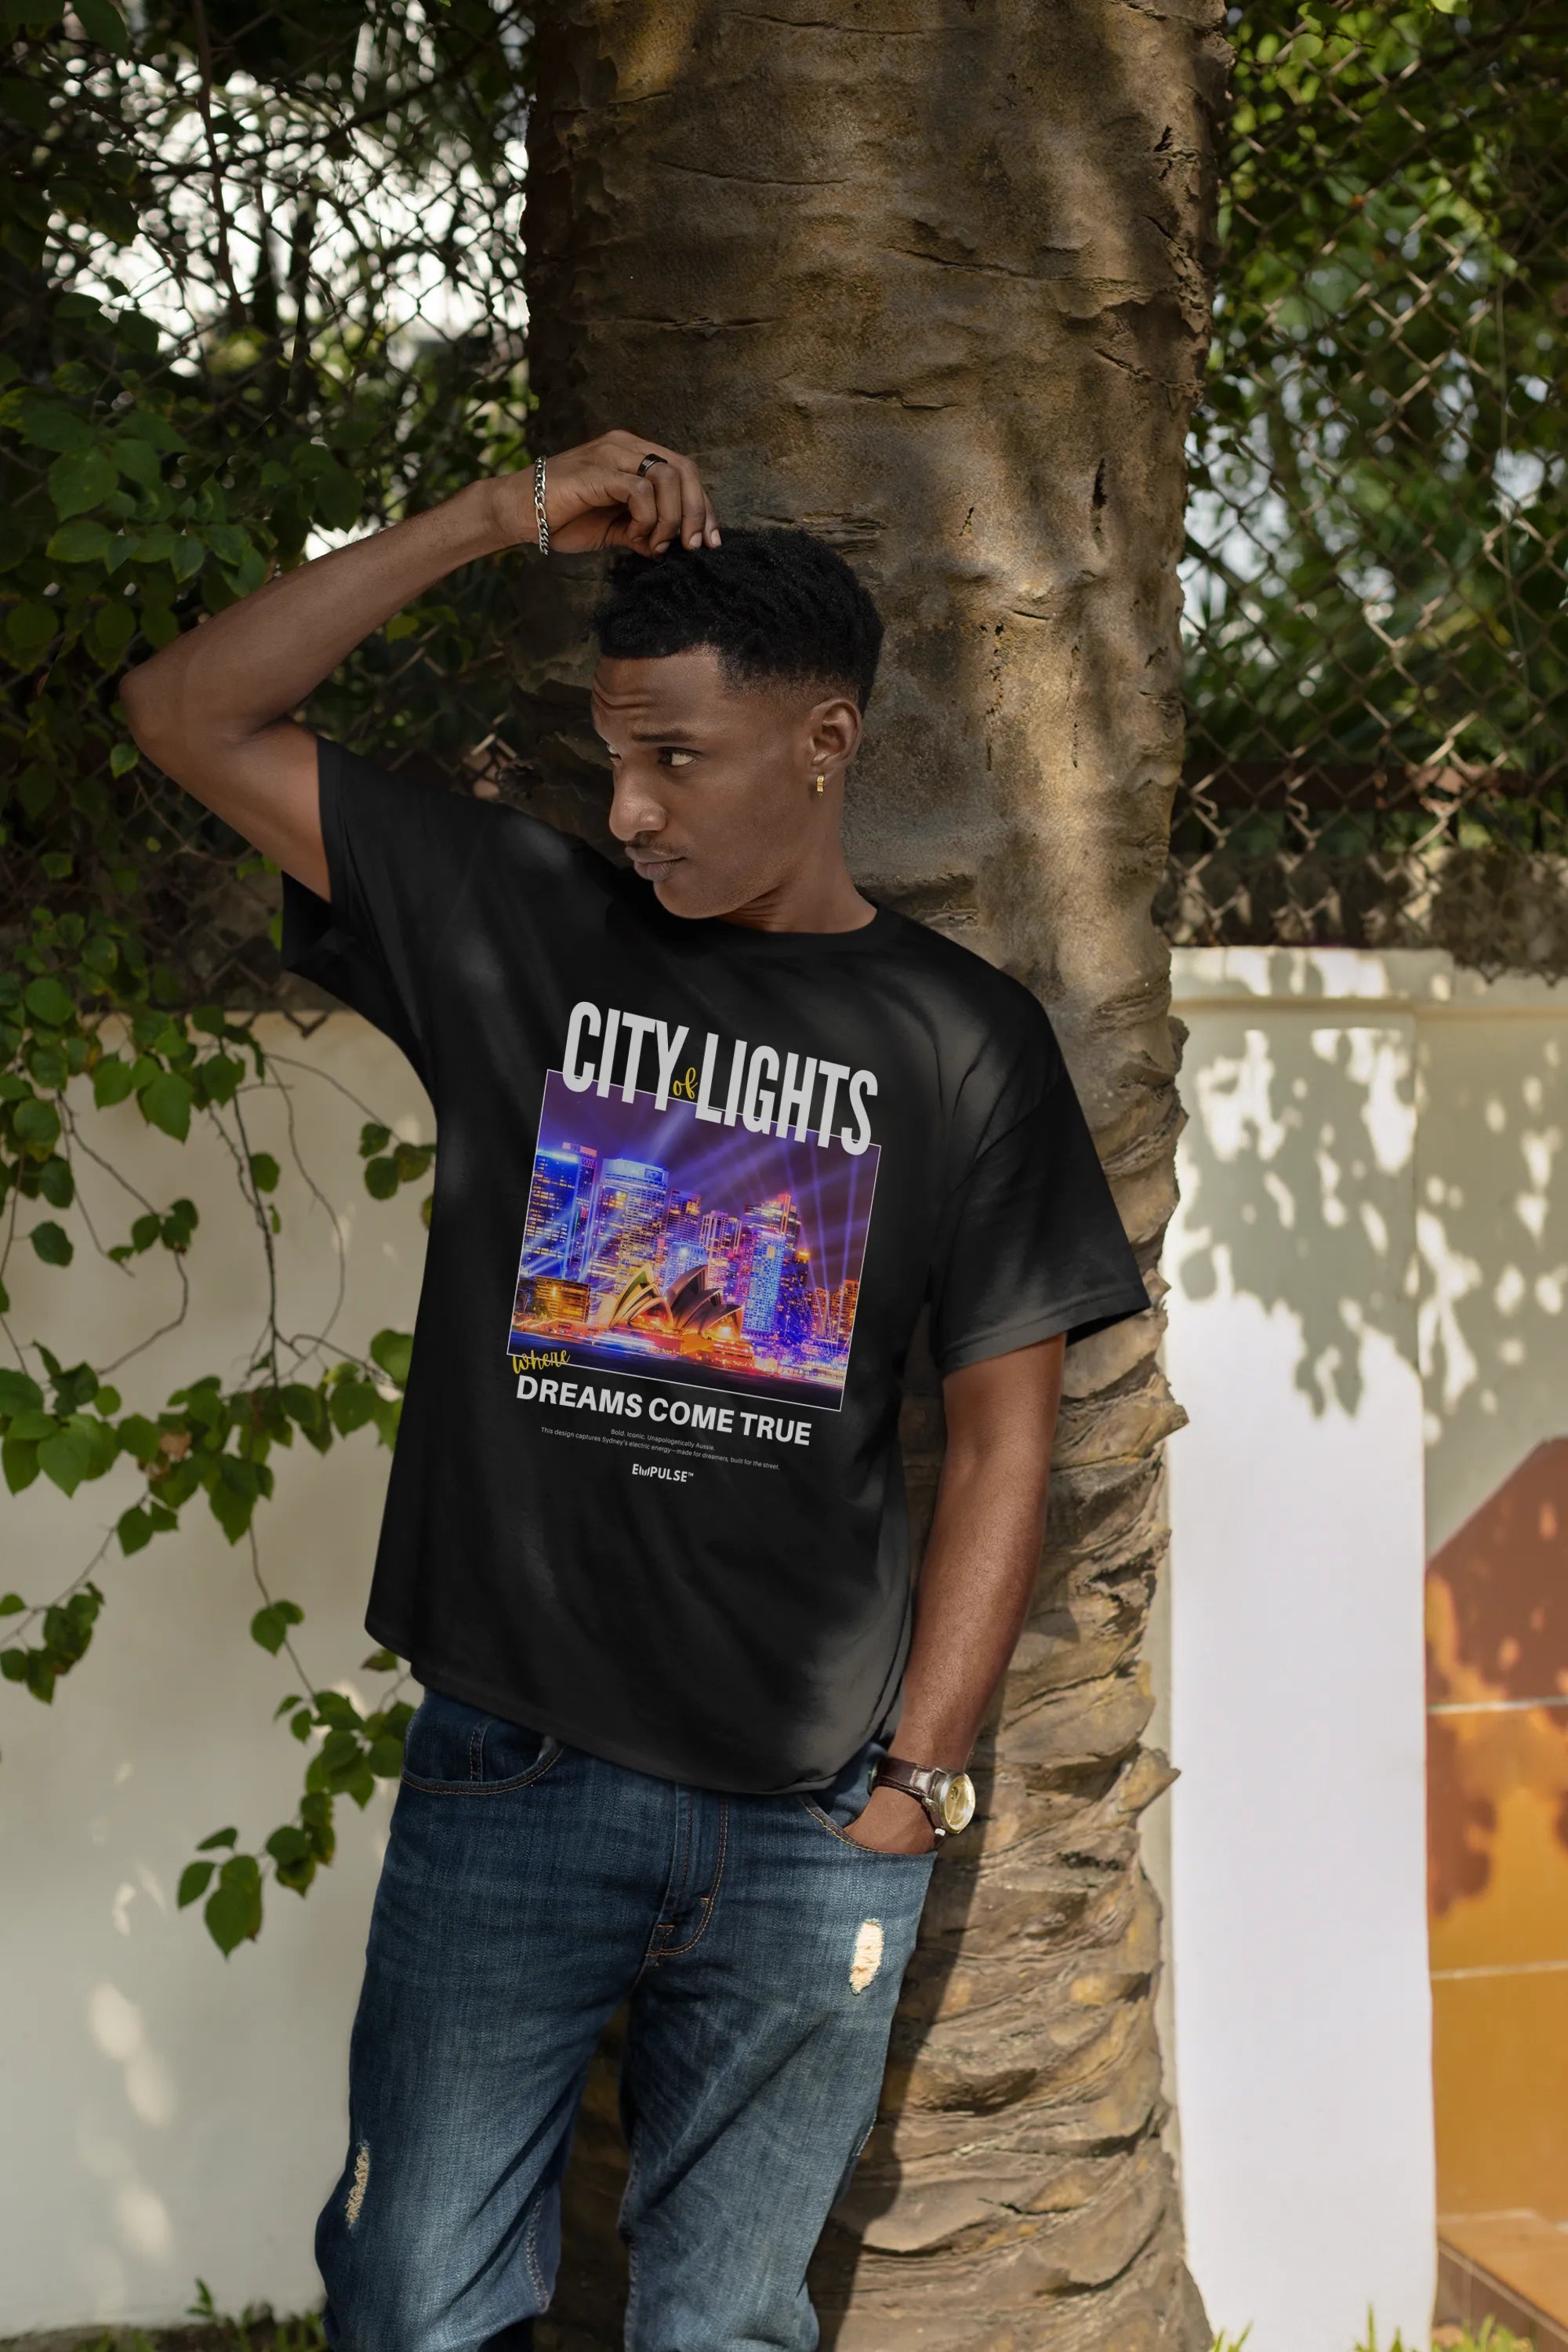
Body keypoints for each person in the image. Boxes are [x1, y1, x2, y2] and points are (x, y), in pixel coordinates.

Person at [122, 430, 1149, 2352]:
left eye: (678, 758)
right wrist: (491, 516)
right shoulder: (518, 922)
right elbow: (187, 711)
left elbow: (1008, 1428)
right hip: (515, 1772)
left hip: (808, 1816)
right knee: (415, 2303)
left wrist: (920, 1778)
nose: (633, 808)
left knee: (725, 2328)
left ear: (827, 742)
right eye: (614, 760)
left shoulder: (961, 1041)